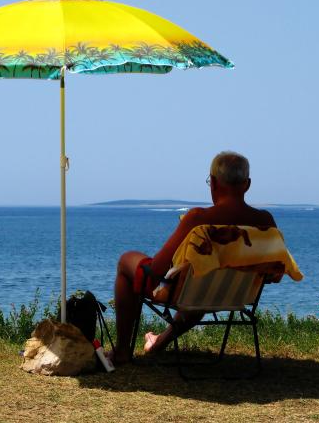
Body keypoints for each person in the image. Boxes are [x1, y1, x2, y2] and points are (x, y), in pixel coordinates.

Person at [110, 151, 277, 365]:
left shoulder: (198, 219)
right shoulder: (265, 221)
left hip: (190, 295)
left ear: (214, 184)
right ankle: (158, 343)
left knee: (128, 260)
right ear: (247, 184)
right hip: (235, 296)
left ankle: (122, 351)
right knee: (198, 282)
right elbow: (273, 275)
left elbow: (158, 268)